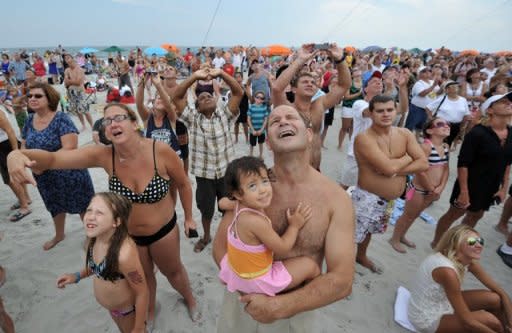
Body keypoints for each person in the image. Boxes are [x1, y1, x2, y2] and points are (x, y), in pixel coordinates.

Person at [7, 102, 199, 323]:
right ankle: (150, 310)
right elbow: (53, 159)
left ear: (134, 123)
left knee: (173, 272)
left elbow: (184, 184)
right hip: (130, 236)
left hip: (163, 231)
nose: (112, 124)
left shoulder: (160, 151)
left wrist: (189, 218)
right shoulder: (104, 156)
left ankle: (190, 299)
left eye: (118, 118)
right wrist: (17, 155)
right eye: (107, 121)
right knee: (145, 277)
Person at [212, 105, 355, 332]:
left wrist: (278, 306)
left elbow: (342, 280)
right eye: (274, 120)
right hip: (244, 302)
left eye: (291, 117)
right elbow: (220, 247)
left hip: (296, 309)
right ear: (268, 142)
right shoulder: (250, 192)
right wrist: (246, 289)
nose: (283, 121)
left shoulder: (336, 199)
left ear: (309, 135)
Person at [218, 156, 319, 296]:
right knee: (312, 267)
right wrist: (294, 226)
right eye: (252, 186)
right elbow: (282, 247)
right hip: (256, 280)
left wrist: (232, 202)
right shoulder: (255, 222)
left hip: (236, 271)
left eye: (265, 181)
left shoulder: (238, 206)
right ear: (238, 194)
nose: (263, 190)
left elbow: (221, 202)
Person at [353, 94, 428, 273]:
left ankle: (361, 256)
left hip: (388, 200)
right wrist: (409, 157)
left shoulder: (404, 133)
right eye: (380, 111)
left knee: (369, 231)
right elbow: (387, 168)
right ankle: (343, 268)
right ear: (370, 114)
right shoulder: (364, 138)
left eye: (390, 110)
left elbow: (423, 163)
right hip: (366, 197)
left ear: (396, 111)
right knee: (353, 235)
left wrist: (395, 168)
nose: (386, 114)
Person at [173, 67, 243, 253]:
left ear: (216, 99)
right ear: (197, 107)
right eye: (201, 98)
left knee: (229, 209)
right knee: (206, 211)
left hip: (227, 175)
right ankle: (206, 236)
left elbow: (238, 92)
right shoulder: (193, 119)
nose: (206, 97)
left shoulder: (225, 115)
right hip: (204, 177)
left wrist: (220, 74)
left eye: (209, 95)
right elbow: (177, 98)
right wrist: (194, 76)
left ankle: (231, 237)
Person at [57, 192, 148, 333]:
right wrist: (77, 276)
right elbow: (98, 267)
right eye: (89, 210)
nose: (91, 216)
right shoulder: (93, 239)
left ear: (116, 222)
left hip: (127, 312)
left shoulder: (123, 255)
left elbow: (142, 292)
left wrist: (139, 327)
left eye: (99, 213)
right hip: (113, 310)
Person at [431, 92, 512, 248]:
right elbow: (463, 164)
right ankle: (437, 243)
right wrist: (464, 192)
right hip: (470, 183)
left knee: (476, 215)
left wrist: (504, 188)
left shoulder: (511, 133)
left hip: (491, 185)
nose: (508, 103)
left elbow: (507, 163)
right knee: (454, 213)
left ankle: (456, 245)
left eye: (509, 101)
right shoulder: (477, 133)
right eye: (503, 101)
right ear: (490, 110)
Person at [21, 82, 95, 250]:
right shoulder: (29, 120)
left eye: (38, 96)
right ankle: (59, 235)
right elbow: (23, 147)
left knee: (83, 206)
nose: (32, 98)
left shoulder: (61, 118)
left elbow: (70, 147)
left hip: (69, 172)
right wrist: (30, 165)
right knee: (54, 206)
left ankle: (92, 236)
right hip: (43, 176)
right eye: (29, 96)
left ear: (49, 98)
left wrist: (44, 165)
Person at [408, 224, 512, 333]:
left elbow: (501, 292)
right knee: (490, 321)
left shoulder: (469, 262)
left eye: (480, 241)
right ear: (455, 244)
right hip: (426, 317)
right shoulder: (447, 272)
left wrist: (510, 322)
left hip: (442, 301)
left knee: (495, 298)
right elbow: (468, 322)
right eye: (472, 241)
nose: (479, 245)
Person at [272, 44, 351, 170]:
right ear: (293, 89)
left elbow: (344, 85)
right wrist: (300, 59)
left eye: (313, 83)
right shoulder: (287, 109)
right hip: (294, 172)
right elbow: (276, 88)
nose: (310, 84)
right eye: (305, 82)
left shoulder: (319, 105)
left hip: (316, 169)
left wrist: (340, 59)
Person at [389, 117, 450, 253]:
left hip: (432, 191)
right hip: (416, 189)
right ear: (429, 130)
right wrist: (431, 188)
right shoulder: (426, 146)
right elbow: (420, 170)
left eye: (447, 124)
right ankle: (394, 238)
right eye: (440, 124)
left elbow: (446, 169)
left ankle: (402, 235)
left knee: (416, 214)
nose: (446, 126)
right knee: (407, 214)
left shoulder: (446, 147)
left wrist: (440, 188)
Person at [0, 102, 31, 222]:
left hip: (5, 146)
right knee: (16, 176)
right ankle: (26, 198)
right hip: (4, 145)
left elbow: (10, 131)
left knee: (9, 179)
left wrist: (15, 153)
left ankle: (24, 207)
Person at [425, 80, 471, 148]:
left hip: (456, 126)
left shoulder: (463, 100)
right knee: (438, 144)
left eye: (456, 86)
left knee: (448, 145)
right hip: (441, 125)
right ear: (447, 89)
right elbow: (428, 108)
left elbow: (466, 115)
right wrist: (432, 119)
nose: (456, 87)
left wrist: (462, 127)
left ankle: (445, 157)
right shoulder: (442, 99)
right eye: (453, 86)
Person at [64, 54, 94, 132]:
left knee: (85, 110)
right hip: (71, 92)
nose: (66, 60)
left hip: (80, 92)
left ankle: (92, 125)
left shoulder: (80, 69)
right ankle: (83, 125)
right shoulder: (67, 70)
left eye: (68, 57)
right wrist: (70, 82)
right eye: (65, 58)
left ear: (72, 59)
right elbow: (65, 83)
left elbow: (78, 82)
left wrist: (69, 81)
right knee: (77, 110)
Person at [337, 67, 363, 150]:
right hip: (348, 107)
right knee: (345, 127)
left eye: (358, 70)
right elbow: (346, 97)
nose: (357, 71)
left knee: (353, 127)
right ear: (352, 74)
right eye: (355, 70)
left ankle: (351, 145)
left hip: (358, 108)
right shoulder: (349, 83)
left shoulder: (364, 83)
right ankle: (340, 144)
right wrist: (359, 93)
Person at [247, 91, 269, 158]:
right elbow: (248, 119)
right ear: (254, 98)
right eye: (258, 97)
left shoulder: (264, 108)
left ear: (263, 100)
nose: (259, 99)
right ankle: (251, 154)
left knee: (261, 143)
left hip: (261, 130)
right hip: (252, 130)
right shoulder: (251, 107)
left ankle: (260, 154)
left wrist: (262, 129)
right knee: (252, 143)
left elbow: (265, 120)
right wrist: (252, 130)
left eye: (261, 98)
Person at [233, 71, 249, 144]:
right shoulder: (233, 87)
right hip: (236, 107)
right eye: (236, 77)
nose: (237, 78)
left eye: (239, 77)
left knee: (245, 124)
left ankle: (247, 138)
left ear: (242, 78)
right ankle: (236, 139)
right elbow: (231, 97)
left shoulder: (245, 86)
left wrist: (244, 88)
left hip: (244, 107)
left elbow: (250, 97)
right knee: (236, 124)